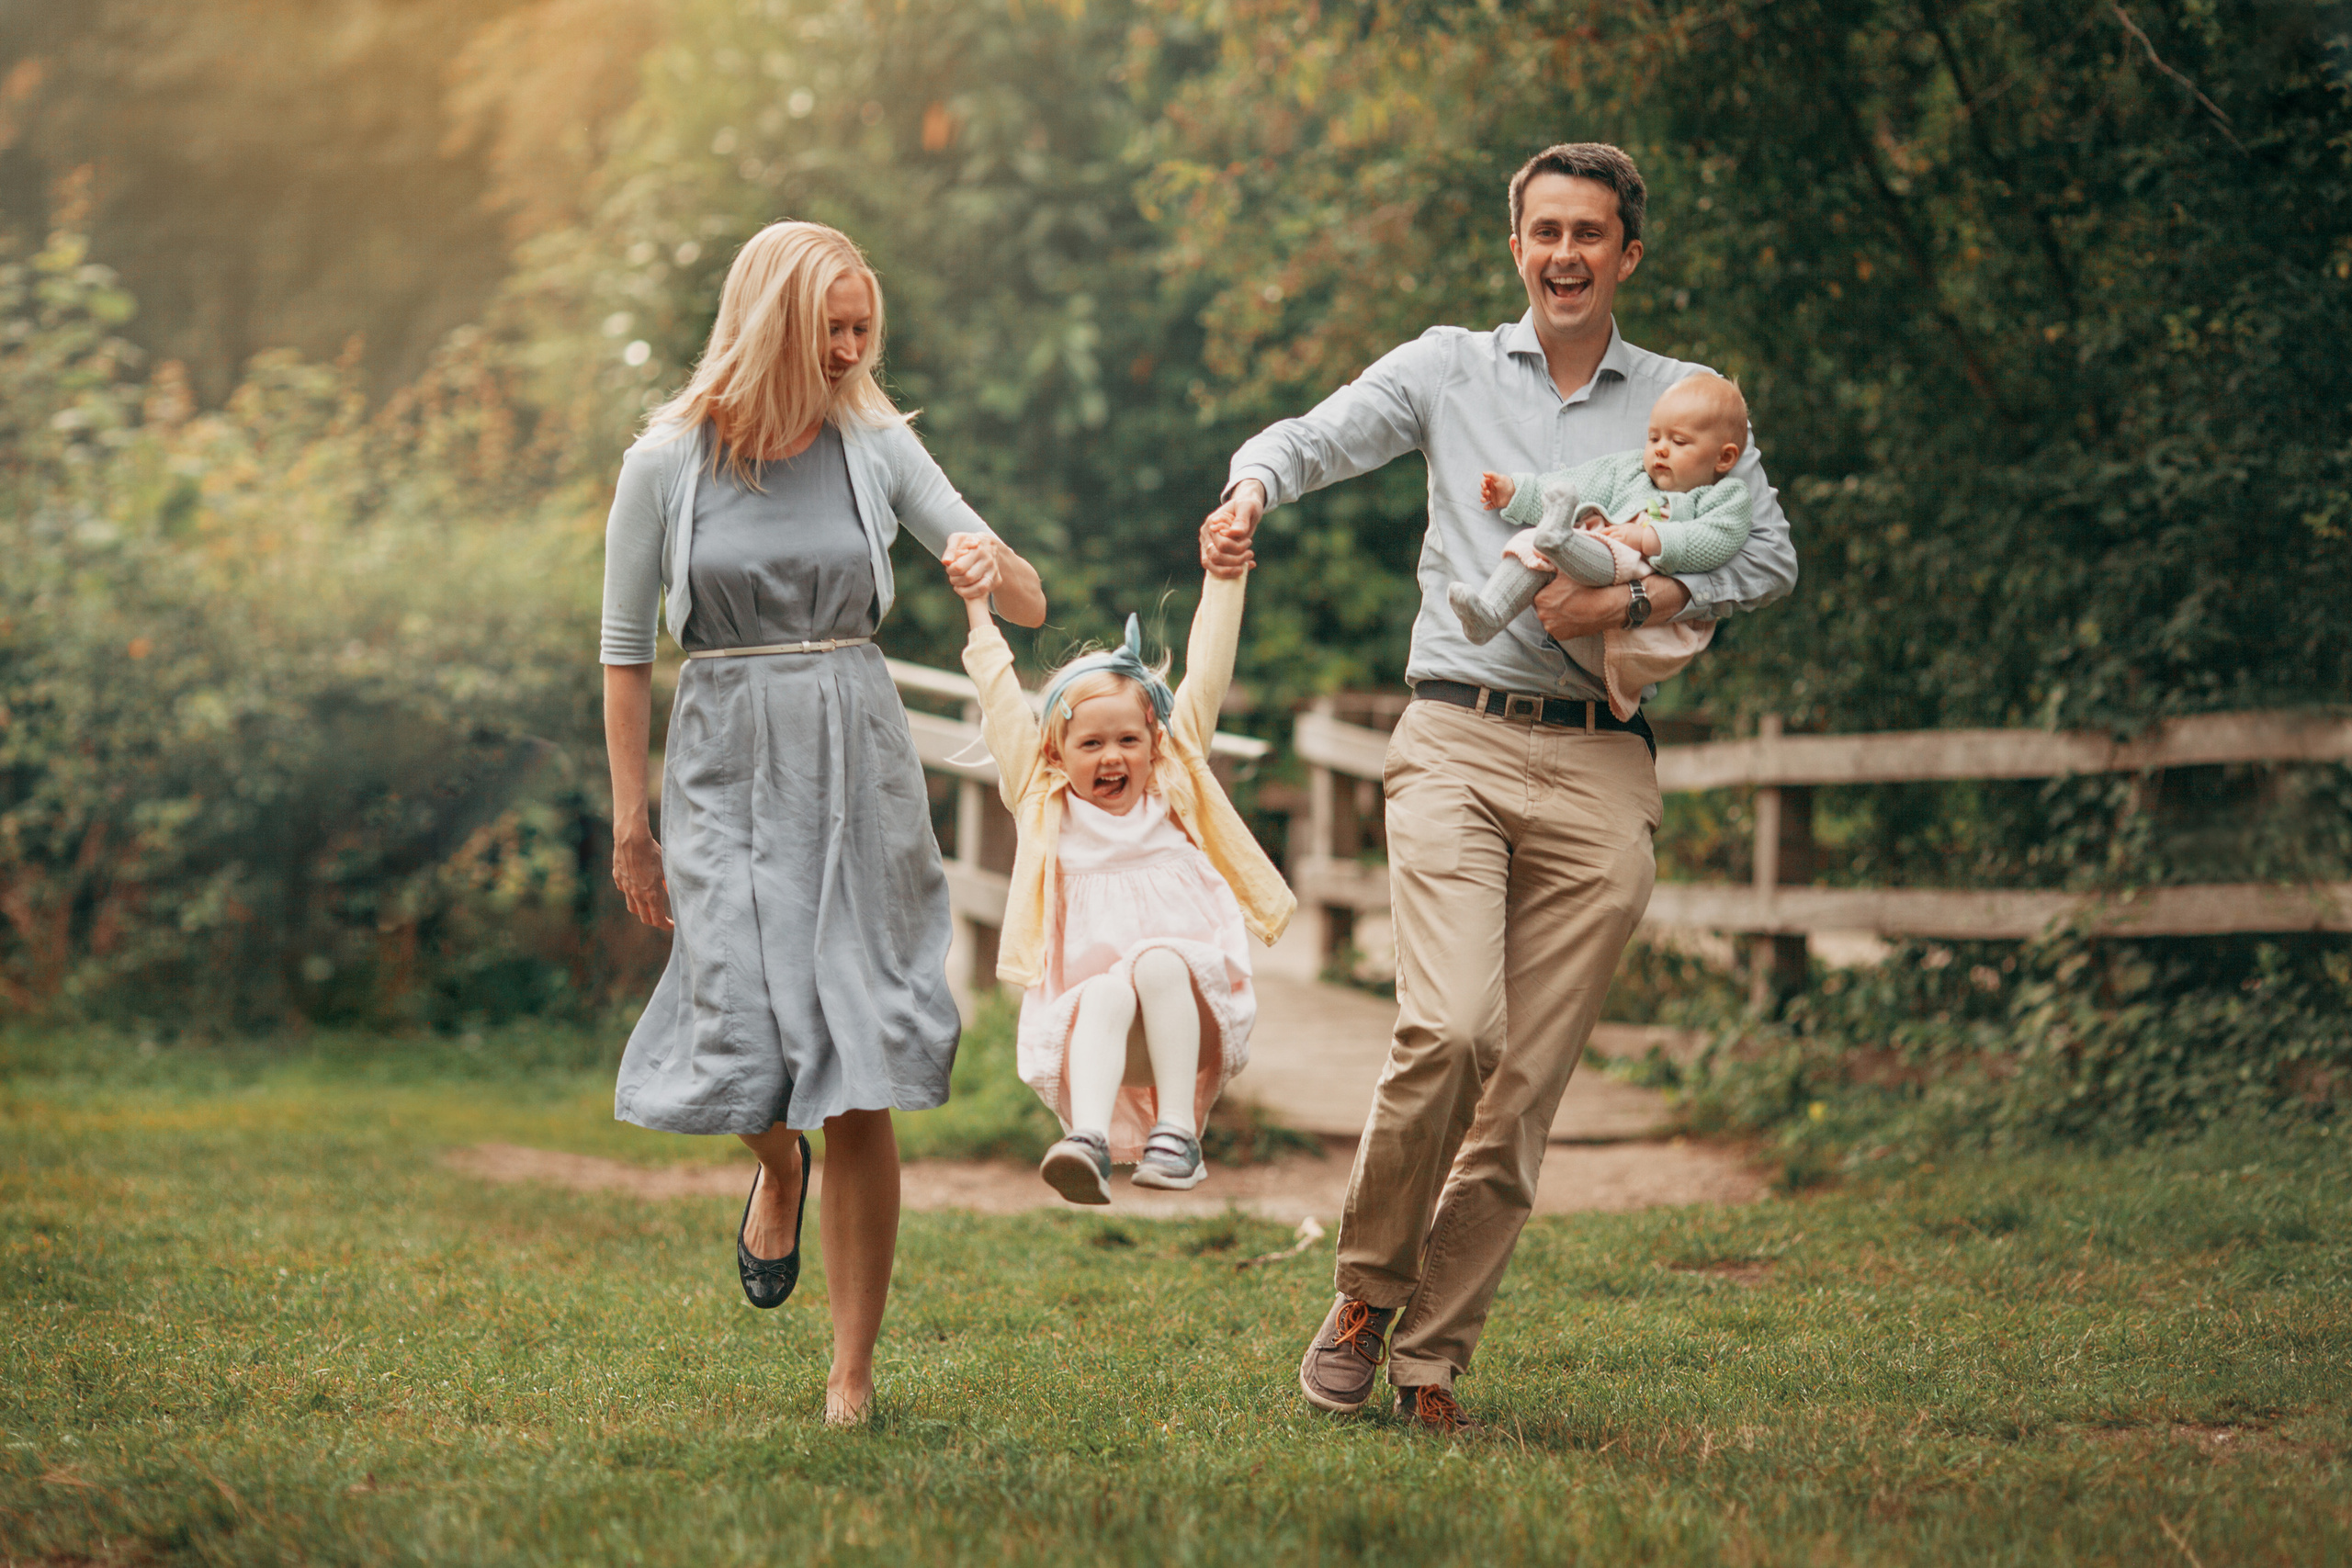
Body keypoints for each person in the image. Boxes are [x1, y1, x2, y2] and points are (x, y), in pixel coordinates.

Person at [1201, 142, 1798, 1433]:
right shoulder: (1447, 368)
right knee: (1455, 1028)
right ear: (1516, 245)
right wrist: (1251, 483)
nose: (1566, 255)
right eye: (1545, 232)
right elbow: (1316, 435)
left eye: (1592, 234)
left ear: (1628, 254)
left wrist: (1632, 592)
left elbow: (1770, 555)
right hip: (1458, 734)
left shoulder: (1686, 403)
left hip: (1600, 758)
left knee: (1526, 1083)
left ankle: (1433, 1353)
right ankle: (1366, 1289)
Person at [599, 219, 1046, 1427]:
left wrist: (982, 564)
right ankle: (773, 1162)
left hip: (857, 748)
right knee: (737, 1023)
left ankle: (850, 1374)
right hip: (726, 751)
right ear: (769, 324)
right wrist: (630, 820)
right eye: (831, 328)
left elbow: (1024, 588)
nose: (851, 349)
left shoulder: (874, 441)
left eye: (863, 328)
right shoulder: (666, 462)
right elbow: (626, 651)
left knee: (862, 1056)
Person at [954, 557, 1295, 1203]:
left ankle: (1177, 1137)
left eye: (1128, 740)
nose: (1112, 756)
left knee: (1159, 962)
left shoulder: (1174, 785)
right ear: (1056, 752)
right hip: (1101, 1035)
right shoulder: (1044, 802)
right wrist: (977, 607)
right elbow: (1000, 702)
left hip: (1188, 1010)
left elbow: (1209, 672)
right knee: (1107, 990)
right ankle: (1087, 1142)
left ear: (1154, 740)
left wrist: (1225, 577)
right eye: (1091, 745)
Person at [1450, 372, 1753, 718]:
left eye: (1679, 441)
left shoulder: (1725, 496)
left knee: (1610, 547)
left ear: (1724, 458)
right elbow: (1575, 483)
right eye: (1654, 438)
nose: (1660, 449)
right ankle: (1489, 615)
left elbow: (1718, 539)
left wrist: (1647, 538)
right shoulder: (1630, 470)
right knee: (1531, 541)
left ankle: (1561, 540)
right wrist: (1516, 493)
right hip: (1592, 574)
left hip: (1641, 611)